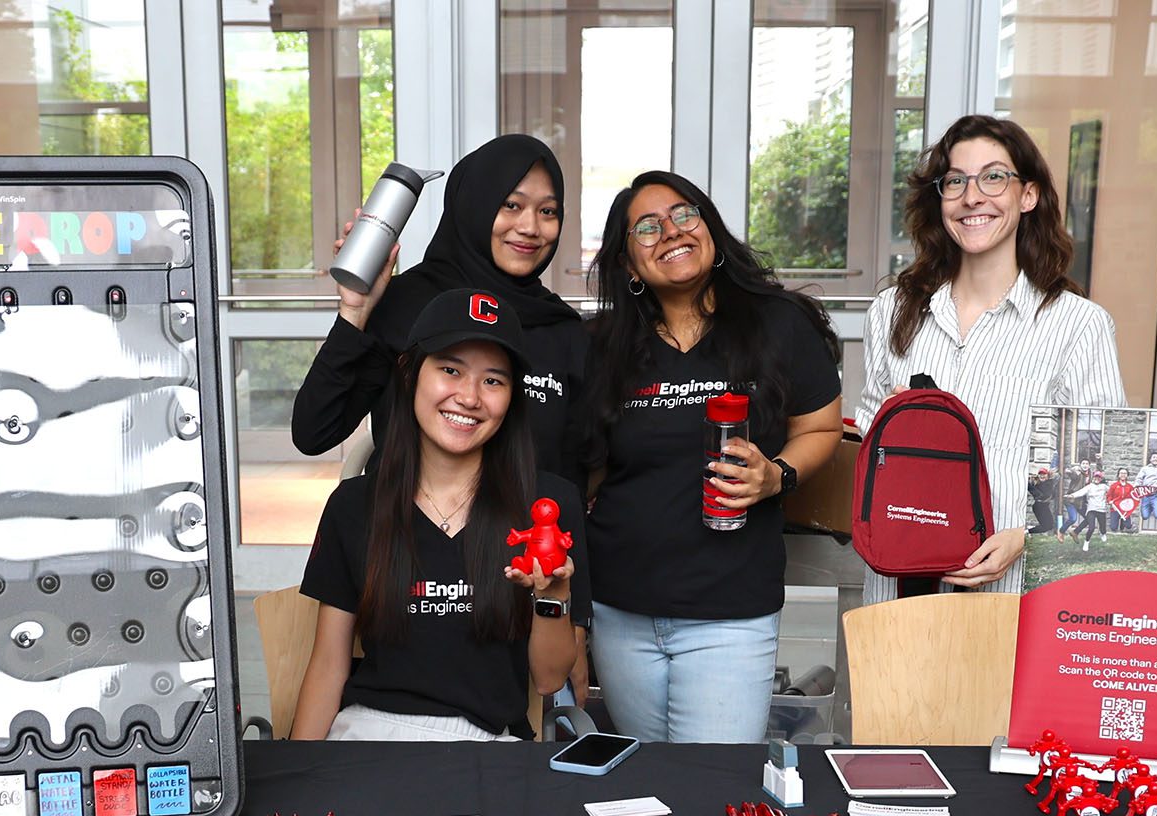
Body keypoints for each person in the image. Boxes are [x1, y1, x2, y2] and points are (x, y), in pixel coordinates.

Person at [580, 170, 842, 743]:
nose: (669, 231)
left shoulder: (777, 323)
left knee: (713, 781)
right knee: (646, 779)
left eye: (684, 214)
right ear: (627, 264)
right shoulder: (604, 346)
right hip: (621, 611)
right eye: (645, 228)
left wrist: (779, 475)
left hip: (730, 611)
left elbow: (820, 426)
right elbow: (589, 467)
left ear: (711, 229)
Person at [293, 288, 588, 741]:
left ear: (512, 398)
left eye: (494, 380)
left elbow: (549, 681)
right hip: (371, 733)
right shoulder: (354, 505)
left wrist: (554, 595)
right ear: (410, 373)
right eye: (450, 370)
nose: (469, 397)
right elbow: (328, 667)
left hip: (490, 747)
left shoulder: (546, 507)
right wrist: (304, 778)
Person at [857, 114, 1127, 599]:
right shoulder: (893, 310)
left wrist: (1026, 537)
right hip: (901, 587)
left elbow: (1095, 462)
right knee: (899, 678)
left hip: (1010, 592)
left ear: (1028, 195)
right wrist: (891, 419)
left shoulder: (1078, 325)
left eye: (994, 177)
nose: (972, 196)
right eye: (956, 181)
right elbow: (868, 436)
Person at [291, 134, 590, 492]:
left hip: (522, 541)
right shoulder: (405, 303)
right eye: (511, 205)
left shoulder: (563, 329)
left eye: (547, 211)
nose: (530, 227)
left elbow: (575, 471)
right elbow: (314, 433)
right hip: (405, 535)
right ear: (474, 205)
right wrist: (355, 313)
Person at [1067, 472, 1109, 550]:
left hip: (1101, 510)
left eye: (1099, 477)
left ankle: (1102, 533)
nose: (1097, 479)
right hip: (1091, 510)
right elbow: (1081, 492)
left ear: (1101, 479)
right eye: (1095, 477)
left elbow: (1113, 492)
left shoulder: (1104, 487)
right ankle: (1086, 542)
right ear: (1093, 478)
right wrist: (1072, 495)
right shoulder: (1089, 487)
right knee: (1091, 528)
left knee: (1103, 528)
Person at [1105, 467, 1136, 533]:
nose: (1123, 475)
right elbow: (1109, 496)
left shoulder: (1130, 486)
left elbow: (1133, 497)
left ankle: (1123, 524)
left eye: (1125, 473)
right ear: (1118, 475)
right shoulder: (1114, 485)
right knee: (1113, 528)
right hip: (1115, 508)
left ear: (1127, 475)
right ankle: (1119, 523)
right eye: (1121, 473)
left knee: (1128, 526)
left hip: (1125, 509)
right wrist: (1110, 502)